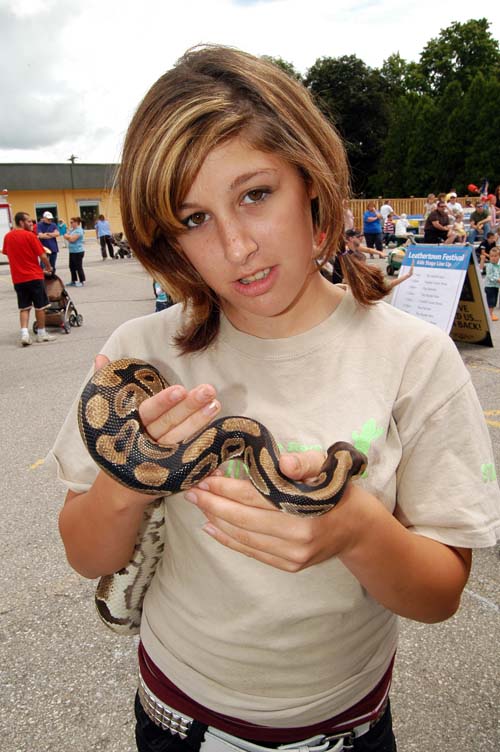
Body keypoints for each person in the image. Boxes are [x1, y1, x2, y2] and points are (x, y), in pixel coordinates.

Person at [52, 46, 500, 752]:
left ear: (311, 182)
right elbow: (84, 552)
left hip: (349, 728)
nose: (236, 247)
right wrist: (132, 478)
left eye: (255, 195)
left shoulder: (415, 358)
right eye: (193, 218)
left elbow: (441, 594)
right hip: (179, 721)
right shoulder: (141, 355)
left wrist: (356, 530)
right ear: (167, 238)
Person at [2, 211, 57, 345]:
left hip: (18, 278)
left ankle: (24, 334)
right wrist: (49, 267)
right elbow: (43, 255)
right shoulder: (30, 236)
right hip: (34, 276)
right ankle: (41, 333)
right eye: (28, 221)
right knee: (40, 306)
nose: (32, 224)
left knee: (24, 307)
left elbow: (5, 252)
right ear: (21, 222)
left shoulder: (8, 237)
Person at [480, 246, 500, 321]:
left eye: (495, 256)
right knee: (491, 301)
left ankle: (490, 313)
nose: (493, 258)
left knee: (494, 301)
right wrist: (497, 279)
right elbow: (489, 276)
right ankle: (489, 315)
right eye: (491, 256)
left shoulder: (498, 264)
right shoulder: (489, 265)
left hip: (496, 286)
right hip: (489, 286)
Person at [65, 217, 86, 287]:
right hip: (72, 251)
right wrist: (68, 236)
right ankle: (73, 281)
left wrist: (67, 237)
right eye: (70, 222)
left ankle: (82, 281)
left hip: (78, 251)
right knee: (71, 266)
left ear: (76, 223)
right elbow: (67, 235)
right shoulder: (72, 230)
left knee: (78, 267)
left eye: (72, 222)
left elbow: (72, 240)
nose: (70, 224)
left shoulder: (79, 231)